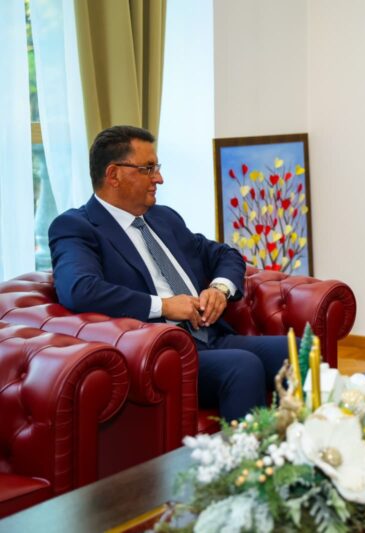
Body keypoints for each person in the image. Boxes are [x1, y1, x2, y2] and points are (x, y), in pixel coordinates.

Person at [49, 125, 289, 421]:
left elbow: (224, 254)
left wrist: (219, 289)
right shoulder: (76, 227)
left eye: (157, 168)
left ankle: (305, 446)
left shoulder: (163, 217)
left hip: (210, 336)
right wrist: (163, 306)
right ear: (113, 175)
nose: (159, 178)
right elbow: (79, 289)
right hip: (160, 354)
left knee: (297, 350)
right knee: (243, 366)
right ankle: (248, 453)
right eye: (148, 168)